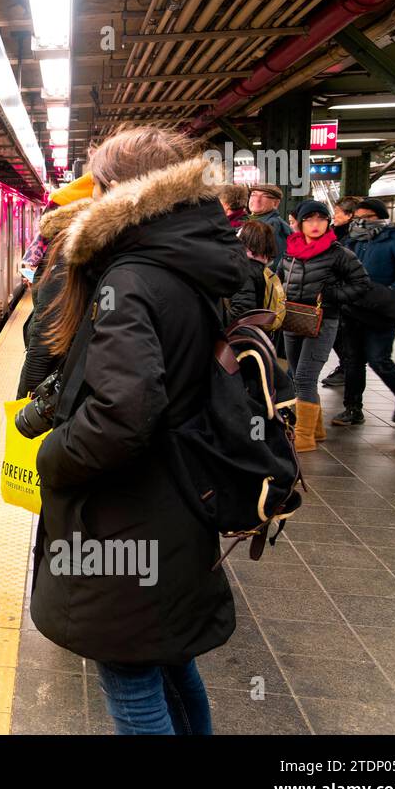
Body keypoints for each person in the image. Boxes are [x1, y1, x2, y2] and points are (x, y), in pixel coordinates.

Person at [32, 128, 247, 735]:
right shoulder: (187, 264)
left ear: (124, 194)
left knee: (132, 687)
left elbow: (123, 415)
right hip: (177, 506)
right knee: (174, 669)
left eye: (98, 184)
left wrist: (54, 455)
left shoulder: (130, 279)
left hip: (128, 519)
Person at [282, 200, 370, 451]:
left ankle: (304, 436)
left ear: (327, 222)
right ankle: (316, 430)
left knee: (305, 377)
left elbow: (362, 284)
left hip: (324, 321)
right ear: (300, 223)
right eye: (309, 219)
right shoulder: (291, 251)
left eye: (321, 219)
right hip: (293, 318)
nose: (315, 224)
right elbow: (280, 279)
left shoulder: (338, 253)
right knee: (300, 378)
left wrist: (332, 295)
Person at [332, 198, 395, 426]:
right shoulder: (352, 241)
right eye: (358, 217)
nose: (361, 222)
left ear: (380, 217)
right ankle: (352, 409)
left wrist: (390, 292)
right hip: (353, 310)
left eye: (367, 218)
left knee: (378, 359)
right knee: (353, 360)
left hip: (380, 312)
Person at [17, 198, 91, 399]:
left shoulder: (61, 247)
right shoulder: (74, 243)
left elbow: (46, 334)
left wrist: (25, 398)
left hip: (55, 374)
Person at [322, 196, 363, 386]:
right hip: (339, 295)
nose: (334, 216)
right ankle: (346, 366)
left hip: (345, 296)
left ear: (349, 215)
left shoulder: (351, 238)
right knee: (338, 336)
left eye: (338, 212)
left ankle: (348, 368)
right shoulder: (337, 234)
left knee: (344, 337)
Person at [226, 220, 282, 337]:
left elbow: (242, 309)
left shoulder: (245, 270)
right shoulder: (260, 268)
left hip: (238, 336)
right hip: (255, 333)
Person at [247, 183, 291, 273]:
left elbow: (274, 264)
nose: (257, 200)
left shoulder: (272, 225)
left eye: (264, 196)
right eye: (254, 195)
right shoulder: (255, 221)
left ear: (275, 203)